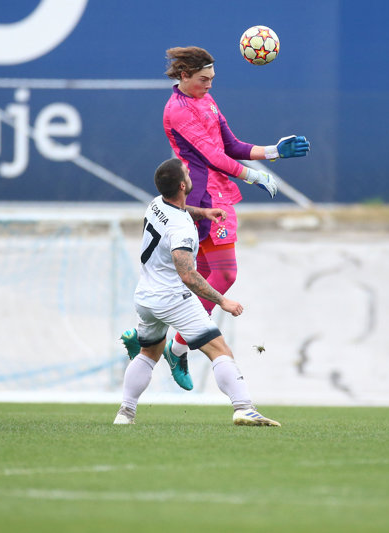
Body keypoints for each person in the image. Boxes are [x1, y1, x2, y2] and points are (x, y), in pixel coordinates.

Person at [119, 46, 310, 391]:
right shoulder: (177, 110)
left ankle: (149, 335)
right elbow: (211, 156)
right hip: (204, 196)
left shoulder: (205, 100)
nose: (209, 85)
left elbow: (231, 145)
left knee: (204, 275)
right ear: (184, 75)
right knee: (224, 273)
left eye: (212, 79)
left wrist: (274, 152)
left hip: (217, 190)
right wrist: (253, 176)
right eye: (203, 79)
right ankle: (177, 347)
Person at [114, 158, 280, 426]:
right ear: (182, 185)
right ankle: (243, 407)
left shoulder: (156, 204)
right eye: (186, 172)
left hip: (145, 296)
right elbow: (188, 275)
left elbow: (180, 210)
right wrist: (222, 300)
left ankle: (125, 413)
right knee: (219, 349)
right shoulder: (181, 230)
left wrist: (203, 213)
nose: (190, 172)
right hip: (173, 298)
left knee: (149, 354)